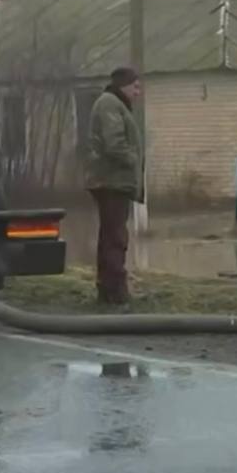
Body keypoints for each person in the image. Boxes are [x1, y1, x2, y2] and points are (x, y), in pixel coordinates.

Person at [84, 67, 144, 306]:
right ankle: (117, 293)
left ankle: (107, 290)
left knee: (109, 235)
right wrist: (132, 160)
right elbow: (114, 144)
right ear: (123, 85)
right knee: (116, 237)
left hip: (111, 180)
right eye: (135, 87)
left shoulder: (114, 104)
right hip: (112, 181)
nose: (138, 93)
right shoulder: (110, 103)